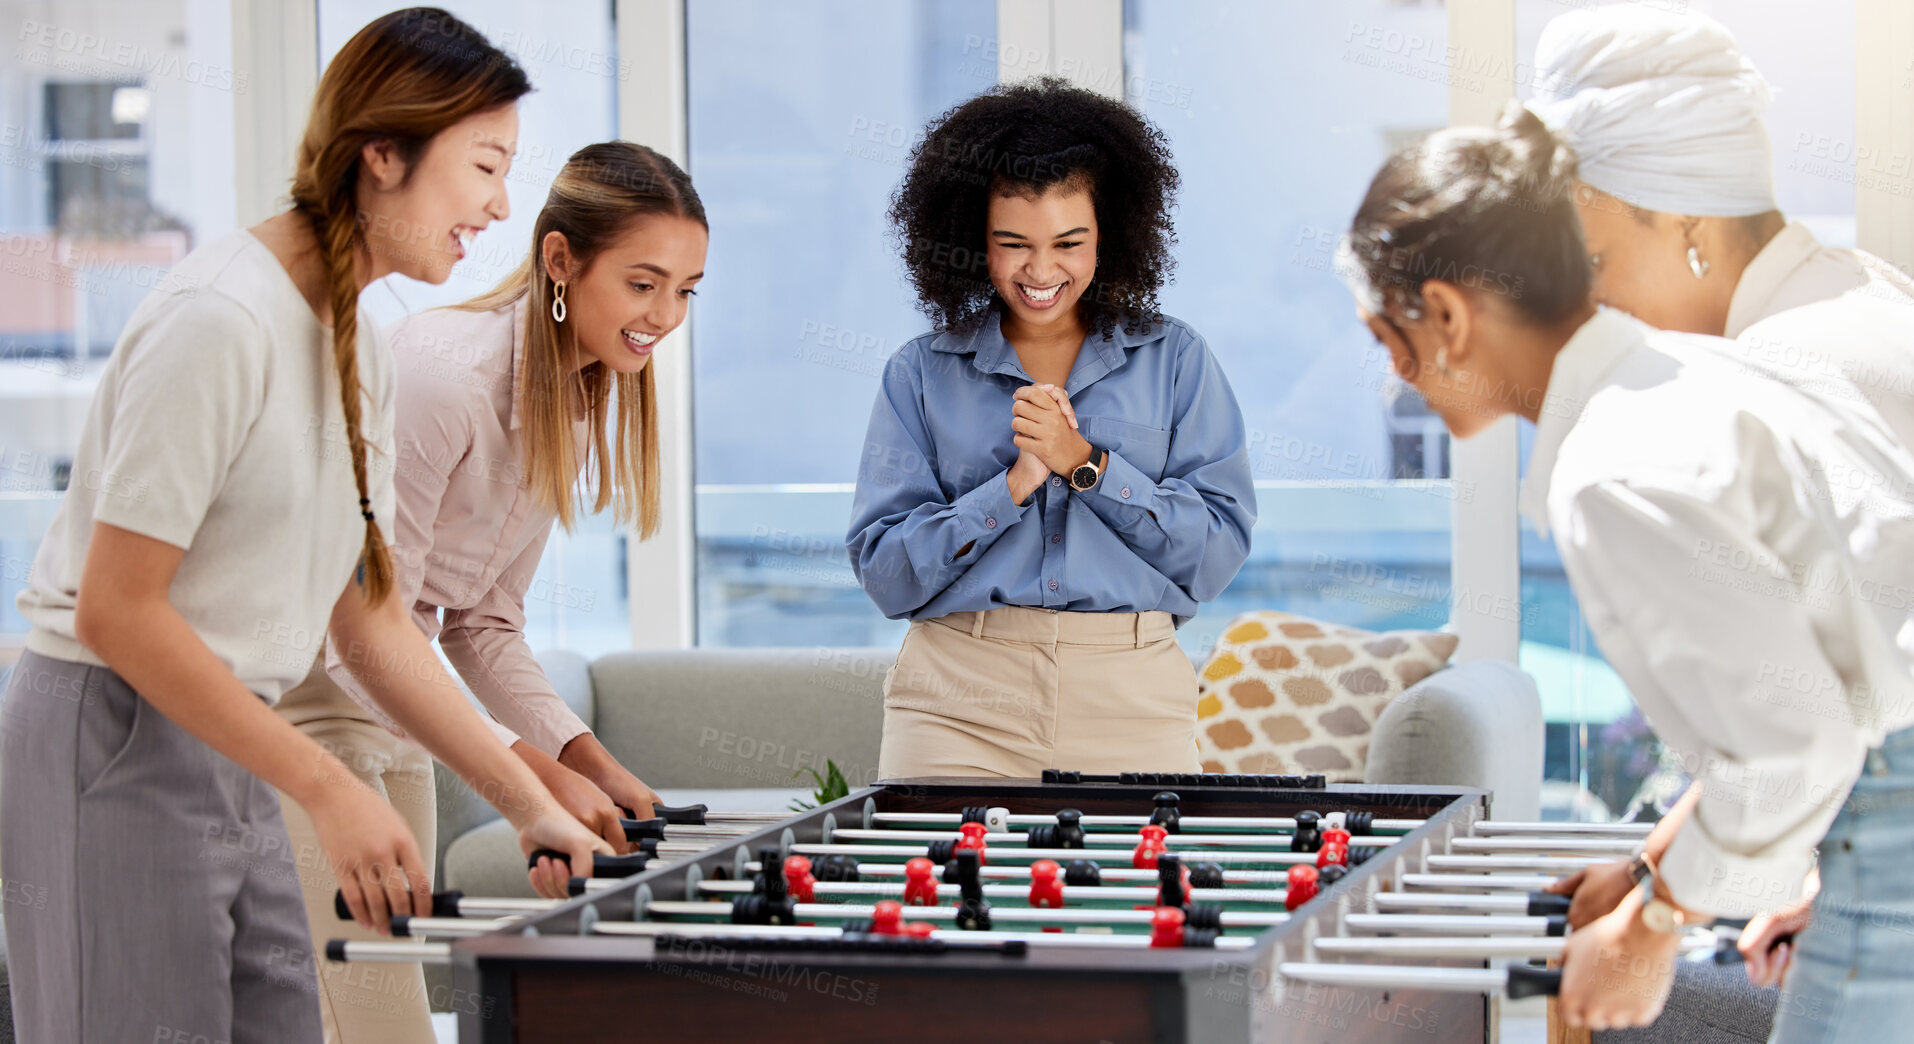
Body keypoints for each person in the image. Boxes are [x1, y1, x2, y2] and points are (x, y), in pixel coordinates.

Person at [1, 10, 608, 1042]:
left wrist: (525, 800)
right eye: (483, 166)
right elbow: (117, 611)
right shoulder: (220, 321)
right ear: (383, 156)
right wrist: (329, 786)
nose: (502, 205)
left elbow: (371, 623)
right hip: (113, 732)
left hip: (239, 730)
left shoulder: (359, 339)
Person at [1336, 107, 1914, 1034]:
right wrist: (1652, 871)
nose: (1392, 378)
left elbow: (1797, 742)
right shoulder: (1697, 376)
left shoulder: (1617, 465)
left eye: (1384, 340)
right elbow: (1812, 687)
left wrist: (1653, 929)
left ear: (1444, 314)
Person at [1525, 5, 1914, 997]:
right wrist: (1656, 867)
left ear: (1690, 226)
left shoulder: (1795, 363)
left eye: (1598, 263)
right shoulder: (1844, 295)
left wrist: (1659, 919)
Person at [278, 140, 706, 1040]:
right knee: (374, 1017)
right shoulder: (443, 377)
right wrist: (530, 778)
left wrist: (589, 760)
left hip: (398, 712)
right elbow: (354, 632)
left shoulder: (578, 399)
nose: (664, 315)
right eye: (642, 283)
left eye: (685, 289)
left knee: (384, 1013)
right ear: (560, 259)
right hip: (308, 704)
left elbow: (482, 620)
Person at [848, 77, 1256, 779]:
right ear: (974, 240)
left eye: (1070, 241)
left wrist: (1087, 465)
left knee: (1142, 894)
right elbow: (886, 572)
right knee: (937, 891)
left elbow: (1216, 554)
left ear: (1112, 233)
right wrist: (1008, 489)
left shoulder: (1177, 359)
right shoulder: (918, 373)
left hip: (1132, 696)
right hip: (957, 700)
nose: (1040, 270)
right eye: (1013, 244)